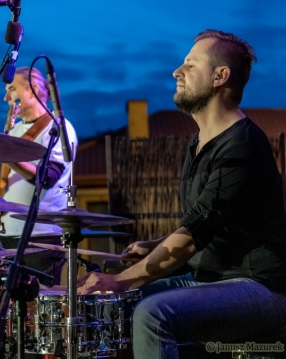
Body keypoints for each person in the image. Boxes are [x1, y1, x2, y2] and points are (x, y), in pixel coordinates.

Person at [77, 29, 286, 358]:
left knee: (152, 314)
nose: (177, 71)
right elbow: (210, 227)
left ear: (220, 76)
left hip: (260, 287)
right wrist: (151, 248)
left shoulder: (242, 145)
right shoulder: (199, 142)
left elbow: (193, 235)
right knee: (114, 307)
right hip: (209, 278)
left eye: (190, 64)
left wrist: (120, 280)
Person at [0, 67, 78, 284]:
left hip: (41, 236)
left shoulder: (58, 128)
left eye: (12, 89)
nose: (6, 97)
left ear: (33, 89)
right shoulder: (13, 132)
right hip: (7, 235)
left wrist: (6, 155)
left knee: (41, 307)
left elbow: (48, 177)